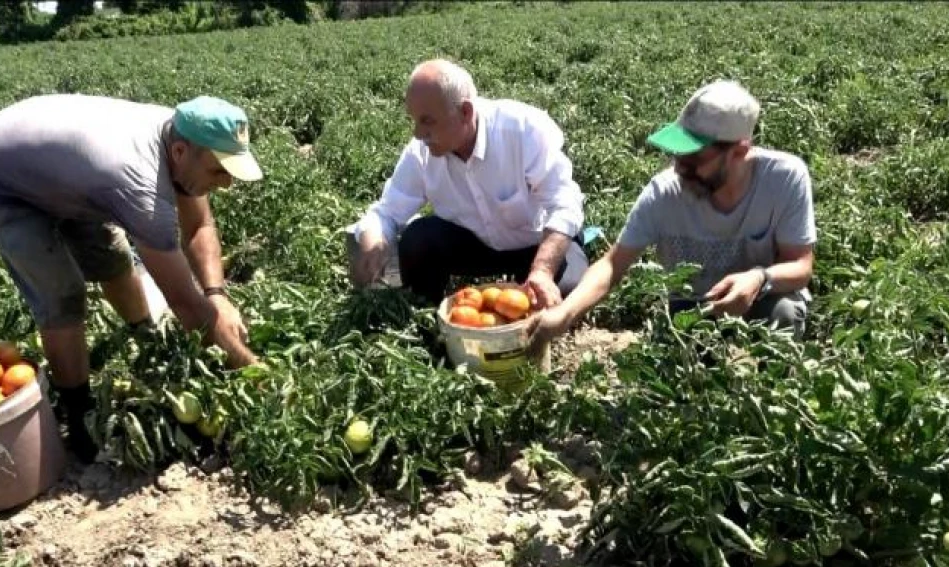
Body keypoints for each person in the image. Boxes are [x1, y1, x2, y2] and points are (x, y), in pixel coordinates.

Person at [0, 93, 263, 461]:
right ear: (179, 152)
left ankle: (144, 333)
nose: (226, 184)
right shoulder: (139, 183)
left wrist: (217, 294)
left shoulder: (185, 134)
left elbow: (199, 225)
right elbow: (184, 303)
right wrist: (250, 369)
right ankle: (78, 413)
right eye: (218, 171)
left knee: (110, 256)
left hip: (57, 170)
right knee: (62, 292)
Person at [528, 80, 817, 350]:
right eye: (678, 155)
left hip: (761, 297)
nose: (680, 167)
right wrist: (564, 315)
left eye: (694, 158)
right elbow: (612, 265)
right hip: (693, 306)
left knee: (784, 312)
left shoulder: (783, 178)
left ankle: (767, 393)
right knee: (683, 375)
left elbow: (800, 265)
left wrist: (758, 278)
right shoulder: (665, 192)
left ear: (739, 151)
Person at [347, 58, 588, 309]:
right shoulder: (421, 152)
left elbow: (564, 204)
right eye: (414, 120)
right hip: (477, 245)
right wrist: (374, 240)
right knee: (418, 239)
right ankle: (429, 319)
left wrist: (542, 270)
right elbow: (386, 211)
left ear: (465, 112)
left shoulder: (522, 130)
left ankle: (530, 289)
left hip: (535, 244)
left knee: (567, 291)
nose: (418, 134)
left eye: (427, 121)